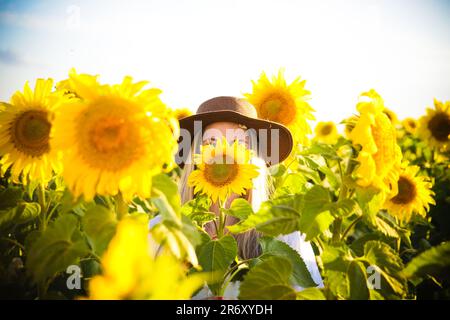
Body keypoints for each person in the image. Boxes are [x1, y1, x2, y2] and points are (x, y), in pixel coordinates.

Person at [152, 96, 323, 298]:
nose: (224, 152)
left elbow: (307, 293)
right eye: (211, 142)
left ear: (255, 158)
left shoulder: (284, 234)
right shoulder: (162, 231)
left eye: (239, 144)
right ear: (195, 157)